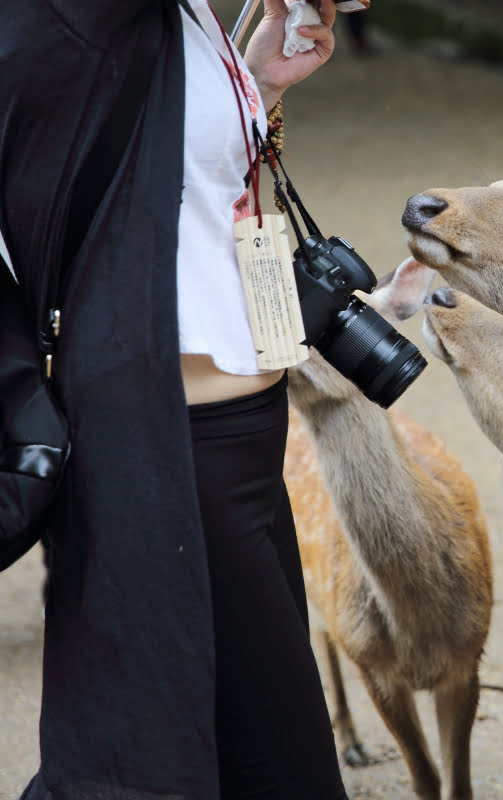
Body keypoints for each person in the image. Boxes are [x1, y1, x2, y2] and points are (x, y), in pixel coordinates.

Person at [1, 1, 353, 797]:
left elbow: (175, 178)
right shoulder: (76, 20)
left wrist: (258, 81)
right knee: (191, 757)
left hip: (244, 433)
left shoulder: (186, 19)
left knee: (233, 745)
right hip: (163, 444)